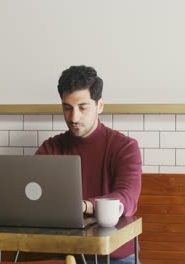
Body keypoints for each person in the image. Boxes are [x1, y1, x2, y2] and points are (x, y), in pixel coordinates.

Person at [36, 65, 142, 264]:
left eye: (83, 108)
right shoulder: (51, 148)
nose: (74, 117)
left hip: (116, 256)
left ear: (100, 105)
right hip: (66, 254)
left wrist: (84, 205)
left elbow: (127, 198)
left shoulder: (125, 147)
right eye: (67, 108)